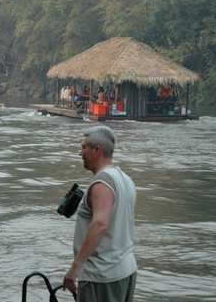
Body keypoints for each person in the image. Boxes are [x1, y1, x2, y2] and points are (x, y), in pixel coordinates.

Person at [64, 125, 137, 302]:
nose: (80, 153)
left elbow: (100, 224)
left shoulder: (102, 183)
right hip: (126, 270)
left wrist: (75, 268)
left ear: (97, 150)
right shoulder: (125, 179)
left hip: (101, 276)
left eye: (83, 148)